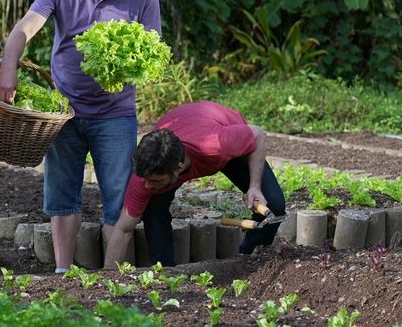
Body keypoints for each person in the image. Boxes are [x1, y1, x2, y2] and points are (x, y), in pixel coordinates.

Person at [0, 0, 161, 273]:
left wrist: (124, 69)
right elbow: (24, 28)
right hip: (64, 112)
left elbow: (151, 53)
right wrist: (8, 69)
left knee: (117, 198)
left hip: (115, 115)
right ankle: (62, 272)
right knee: (61, 193)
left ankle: (115, 277)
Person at [103, 101, 286, 268]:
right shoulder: (146, 175)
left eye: (155, 180)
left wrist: (254, 186)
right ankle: (166, 271)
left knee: (274, 204)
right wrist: (108, 278)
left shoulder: (217, 144)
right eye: (147, 180)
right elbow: (123, 229)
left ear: (178, 168)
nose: (148, 185)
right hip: (187, 127)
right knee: (153, 205)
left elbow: (257, 134)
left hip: (223, 135)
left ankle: (249, 259)